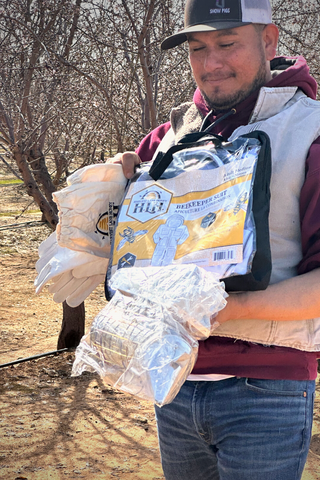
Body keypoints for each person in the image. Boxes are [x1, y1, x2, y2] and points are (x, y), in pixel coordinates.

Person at [108, 0, 320, 478]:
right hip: (174, 382)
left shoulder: (311, 131)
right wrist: (113, 195)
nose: (211, 63)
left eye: (227, 44)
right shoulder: (168, 137)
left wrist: (229, 309)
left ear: (269, 41)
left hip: (266, 390)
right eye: (197, 48)